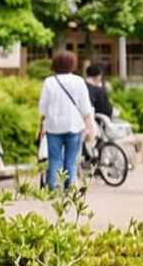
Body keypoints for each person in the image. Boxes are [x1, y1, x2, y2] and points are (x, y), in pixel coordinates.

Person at [36, 49, 97, 191]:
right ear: (73, 64)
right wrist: (90, 128)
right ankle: (69, 188)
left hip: (53, 127)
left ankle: (53, 188)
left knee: (55, 159)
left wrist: (43, 125)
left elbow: (42, 108)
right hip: (74, 125)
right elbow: (86, 108)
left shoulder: (49, 82)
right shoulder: (78, 81)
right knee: (71, 160)